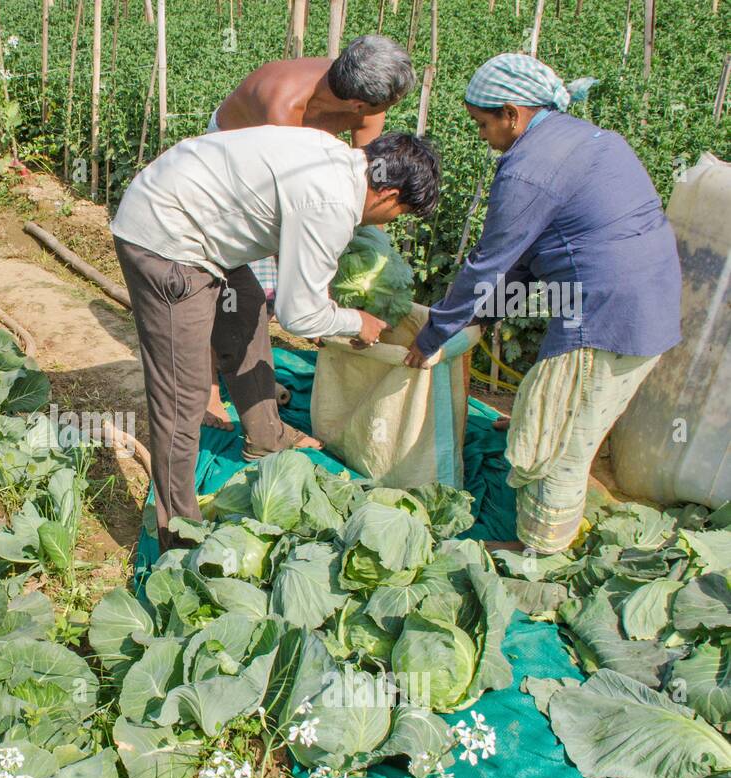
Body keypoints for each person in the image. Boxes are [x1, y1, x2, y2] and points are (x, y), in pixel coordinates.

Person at [404, 53, 682, 555]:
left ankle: (538, 552)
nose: (483, 137)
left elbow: (488, 264)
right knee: (564, 409)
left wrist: (433, 335)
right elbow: (528, 257)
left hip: (603, 316)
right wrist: (485, 318)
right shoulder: (586, 139)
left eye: (483, 124)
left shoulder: (529, 168)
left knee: (559, 443)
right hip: (646, 300)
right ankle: (548, 439)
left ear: (513, 113)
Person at [112, 130, 441, 551]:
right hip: (168, 241)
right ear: (389, 194)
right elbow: (298, 315)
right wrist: (355, 322)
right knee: (183, 394)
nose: (391, 223)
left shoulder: (339, 159)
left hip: (192, 211)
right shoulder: (334, 204)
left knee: (244, 304)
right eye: (401, 213)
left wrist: (327, 306)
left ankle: (265, 435)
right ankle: (179, 532)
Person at [203, 34, 417, 434]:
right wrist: (314, 301)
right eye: (382, 110)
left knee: (277, 297)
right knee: (235, 290)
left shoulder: (367, 103)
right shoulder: (282, 102)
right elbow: (287, 207)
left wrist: (371, 256)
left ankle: (250, 376)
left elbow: (369, 186)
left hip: (308, 180)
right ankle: (209, 390)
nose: (383, 116)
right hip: (235, 175)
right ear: (357, 104)